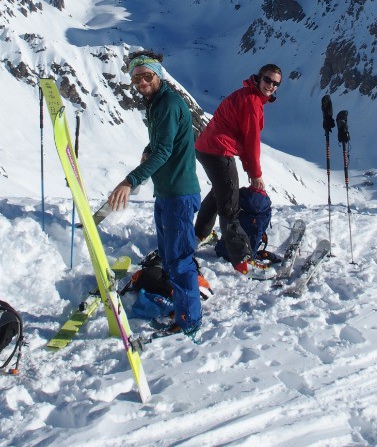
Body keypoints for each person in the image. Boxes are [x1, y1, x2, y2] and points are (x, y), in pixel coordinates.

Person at [108, 50, 201, 337]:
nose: (141, 82)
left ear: (157, 75)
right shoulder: (157, 103)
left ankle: (189, 320)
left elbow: (165, 150)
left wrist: (130, 181)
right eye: (136, 78)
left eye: (147, 76)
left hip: (178, 195)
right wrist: (150, 150)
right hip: (167, 194)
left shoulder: (168, 104)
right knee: (170, 257)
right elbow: (163, 143)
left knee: (179, 259)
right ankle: (182, 306)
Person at [193, 64, 283, 279]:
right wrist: (255, 173)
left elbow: (243, 138)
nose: (270, 85)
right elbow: (251, 141)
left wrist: (249, 168)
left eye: (275, 83)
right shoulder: (252, 102)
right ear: (259, 78)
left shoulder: (249, 95)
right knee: (230, 207)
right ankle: (242, 260)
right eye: (267, 80)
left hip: (208, 148)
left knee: (220, 193)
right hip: (217, 150)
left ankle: (197, 236)